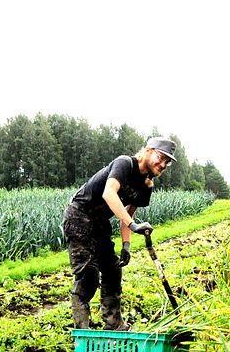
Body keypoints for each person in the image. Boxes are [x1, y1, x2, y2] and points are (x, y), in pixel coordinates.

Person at [62, 136, 177, 330]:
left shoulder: (146, 185)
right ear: (148, 150)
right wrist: (134, 225)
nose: (164, 164)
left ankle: (114, 324)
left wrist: (126, 245)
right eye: (161, 157)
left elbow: (127, 215)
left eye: (168, 161)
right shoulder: (125, 163)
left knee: (113, 270)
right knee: (88, 273)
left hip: (99, 222)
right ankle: (82, 329)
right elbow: (109, 193)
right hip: (79, 215)